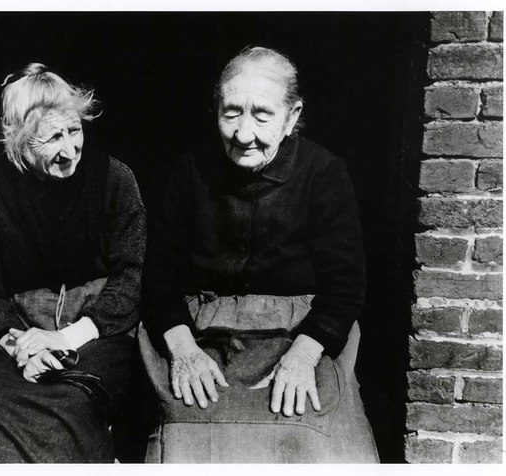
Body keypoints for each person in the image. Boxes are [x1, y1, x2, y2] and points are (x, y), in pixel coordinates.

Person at [140, 47, 378, 463]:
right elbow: (159, 272)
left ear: (291, 116)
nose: (243, 134)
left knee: (307, 428)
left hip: (302, 334)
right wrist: (183, 350)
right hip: (201, 335)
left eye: (262, 115)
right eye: (231, 113)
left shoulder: (323, 172)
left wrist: (304, 356)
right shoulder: (189, 170)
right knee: (186, 425)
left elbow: (346, 283)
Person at [0, 63, 146, 463]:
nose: (70, 149)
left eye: (74, 130)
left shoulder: (115, 180)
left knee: (72, 403)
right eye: (54, 137)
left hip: (96, 333)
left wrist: (65, 339)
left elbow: (131, 278)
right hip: (13, 335)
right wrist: (21, 348)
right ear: (20, 141)